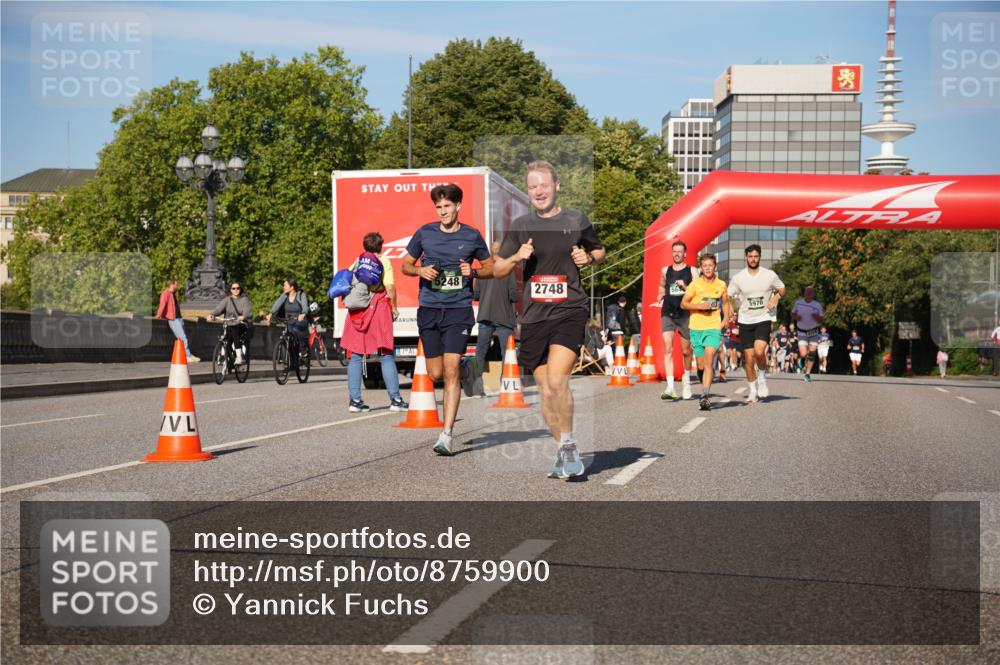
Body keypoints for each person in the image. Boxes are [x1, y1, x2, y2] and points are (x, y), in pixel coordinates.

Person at [493, 160, 605, 479]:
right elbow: (497, 269)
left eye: (544, 184)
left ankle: (568, 447)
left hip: (569, 309)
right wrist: (516, 257)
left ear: (557, 186)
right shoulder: (521, 226)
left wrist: (589, 257)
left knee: (558, 381)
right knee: (544, 391)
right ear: (528, 192)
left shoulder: (575, 220)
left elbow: (599, 251)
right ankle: (561, 450)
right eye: (533, 186)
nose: (539, 191)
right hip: (534, 317)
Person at [402, 183, 493, 456]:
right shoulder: (425, 234)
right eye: (439, 207)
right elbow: (405, 265)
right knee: (436, 374)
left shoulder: (472, 236)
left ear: (458, 207)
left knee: (450, 369)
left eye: (447, 206)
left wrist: (473, 271)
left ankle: (447, 434)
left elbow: (491, 268)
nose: (443, 211)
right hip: (429, 309)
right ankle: (470, 368)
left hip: (458, 310)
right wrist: (419, 271)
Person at [341, 232, 408, 413]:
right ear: (381, 246)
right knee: (385, 354)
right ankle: (395, 399)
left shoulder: (357, 262)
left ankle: (355, 401)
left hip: (357, 312)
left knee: (355, 356)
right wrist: (394, 307)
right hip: (377, 309)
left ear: (365, 246)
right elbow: (390, 289)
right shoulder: (384, 262)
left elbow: (346, 282)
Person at [727, 244, 786, 403]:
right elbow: (728, 295)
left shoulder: (769, 275)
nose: (753, 259)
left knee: (760, 352)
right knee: (749, 358)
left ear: (760, 257)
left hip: (763, 318)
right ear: (746, 257)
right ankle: (752, 390)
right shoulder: (738, 277)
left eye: (756, 256)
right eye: (750, 256)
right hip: (745, 320)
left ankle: (761, 378)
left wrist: (776, 297)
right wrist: (730, 309)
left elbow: (782, 288)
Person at [681, 253, 732, 411]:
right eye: (705, 266)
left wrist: (724, 322)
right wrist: (700, 306)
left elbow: (726, 304)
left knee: (710, 359)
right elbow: (684, 304)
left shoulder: (721, 285)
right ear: (701, 268)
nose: (708, 268)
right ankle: (703, 378)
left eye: (710, 265)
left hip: (713, 327)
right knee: (701, 365)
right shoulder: (695, 285)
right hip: (696, 328)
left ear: (715, 267)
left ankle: (705, 395)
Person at [473, 240, 519, 381]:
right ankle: (505, 381)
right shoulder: (508, 269)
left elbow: (476, 295)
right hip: (504, 316)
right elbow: (514, 295)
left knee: (481, 350)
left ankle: (476, 381)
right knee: (507, 351)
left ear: (492, 252)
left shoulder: (484, 269)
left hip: (485, 315)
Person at [657, 241, 697, 400]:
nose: (677, 254)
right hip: (667, 312)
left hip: (685, 314)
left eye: (680, 251)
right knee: (668, 349)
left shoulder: (692, 270)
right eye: (674, 251)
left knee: (686, 351)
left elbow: (698, 292)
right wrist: (659, 294)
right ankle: (670, 386)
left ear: (685, 254)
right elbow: (661, 287)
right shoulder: (665, 270)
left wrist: (685, 287)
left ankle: (686, 382)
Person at [267, 278, 310, 362]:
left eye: (285, 285)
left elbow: (305, 306)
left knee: (295, 329)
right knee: (289, 337)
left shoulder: (301, 294)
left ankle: (303, 349)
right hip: (290, 320)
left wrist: (303, 313)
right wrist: (271, 313)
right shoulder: (284, 295)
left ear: (292, 287)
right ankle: (291, 363)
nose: (283, 287)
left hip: (300, 320)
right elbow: (277, 303)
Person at [208, 282, 252, 365]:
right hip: (229, 324)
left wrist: (243, 316)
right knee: (226, 340)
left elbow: (247, 311)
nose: (236, 290)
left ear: (240, 289)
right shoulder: (227, 300)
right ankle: (225, 358)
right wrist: (211, 314)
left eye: (238, 288)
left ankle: (239, 357)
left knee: (235, 331)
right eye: (233, 288)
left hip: (241, 325)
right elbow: (218, 309)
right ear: (230, 290)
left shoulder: (244, 300)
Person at [156, 279, 199, 362]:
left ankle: (189, 355)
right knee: (183, 338)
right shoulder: (166, 293)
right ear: (172, 285)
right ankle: (187, 356)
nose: (177, 286)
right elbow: (162, 305)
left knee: (183, 338)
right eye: (176, 284)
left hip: (179, 318)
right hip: (173, 319)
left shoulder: (173, 294)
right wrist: (159, 314)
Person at [791, 287, 824, 382]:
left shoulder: (817, 305)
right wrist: (796, 317)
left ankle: (807, 373)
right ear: (804, 293)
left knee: (812, 353)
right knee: (803, 353)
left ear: (813, 294)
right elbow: (792, 314)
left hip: (813, 331)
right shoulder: (798, 303)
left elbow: (821, 319)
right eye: (807, 292)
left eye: (810, 292)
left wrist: (816, 317)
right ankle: (801, 360)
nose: (808, 294)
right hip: (802, 331)